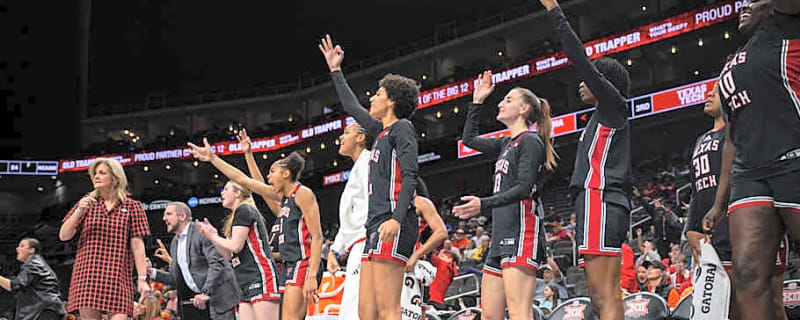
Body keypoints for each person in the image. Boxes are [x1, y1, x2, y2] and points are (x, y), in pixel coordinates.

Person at [701, 0, 800, 318]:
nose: (743, 5)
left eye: (753, 0)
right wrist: (718, 203)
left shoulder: (788, 25)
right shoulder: (733, 59)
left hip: (793, 156)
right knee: (747, 275)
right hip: (749, 169)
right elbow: (731, 134)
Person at [540, 0, 633, 319]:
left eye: (590, 79)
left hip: (601, 198)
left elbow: (581, 61)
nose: (581, 83)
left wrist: (555, 11)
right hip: (595, 202)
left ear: (604, 83)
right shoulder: (599, 116)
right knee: (599, 295)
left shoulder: (612, 106)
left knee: (604, 295)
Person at [320, 34, 420, 320]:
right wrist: (335, 70)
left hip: (392, 220)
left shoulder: (403, 129)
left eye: (378, 94)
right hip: (374, 226)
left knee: (389, 310)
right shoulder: (380, 132)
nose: (372, 98)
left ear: (391, 100)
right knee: (367, 313)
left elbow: (411, 176)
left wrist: (397, 218)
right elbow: (351, 107)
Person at [453, 68, 557, 320]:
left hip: (521, 232)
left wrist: (483, 204)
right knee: (490, 315)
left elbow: (523, 189)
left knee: (520, 314)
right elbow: (469, 140)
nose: (500, 103)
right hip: (500, 236)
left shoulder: (531, 142)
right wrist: (477, 101)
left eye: (508, 99)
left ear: (524, 109)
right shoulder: (505, 143)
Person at [59, 157, 151, 319]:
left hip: (118, 275)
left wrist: (142, 279)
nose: (96, 176)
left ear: (115, 178)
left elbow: (138, 246)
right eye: (95, 173)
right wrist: (78, 211)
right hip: (87, 274)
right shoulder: (87, 203)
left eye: (102, 173)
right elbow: (64, 235)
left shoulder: (132, 206)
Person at [191, 180, 282, 320]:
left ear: (238, 193)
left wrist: (214, 236)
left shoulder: (244, 210)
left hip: (259, 275)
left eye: (226, 189)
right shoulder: (234, 219)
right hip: (243, 280)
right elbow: (229, 255)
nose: (222, 192)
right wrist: (213, 237)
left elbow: (235, 246)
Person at [147, 202, 240, 320]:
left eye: (169, 214)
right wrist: (151, 272)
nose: (164, 218)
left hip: (221, 297)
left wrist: (205, 292)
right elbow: (176, 278)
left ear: (182, 216)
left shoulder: (201, 231)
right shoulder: (175, 243)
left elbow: (217, 264)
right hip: (200, 302)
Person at [327, 122, 371, 320]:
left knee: (356, 306)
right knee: (354, 304)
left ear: (361, 138)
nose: (341, 138)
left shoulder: (369, 162)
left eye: (346, 133)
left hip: (366, 242)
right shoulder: (358, 167)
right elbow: (348, 221)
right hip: (356, 245)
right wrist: (335, 250)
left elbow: (374, 205)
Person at [0, 238, 65, 320]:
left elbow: (14, 286)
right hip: (48, 308)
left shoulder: (34, 264)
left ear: (31, 250)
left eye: (22, 246)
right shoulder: (36, 263)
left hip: (44, 309)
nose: (17, 248)